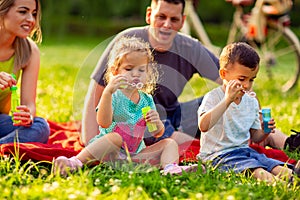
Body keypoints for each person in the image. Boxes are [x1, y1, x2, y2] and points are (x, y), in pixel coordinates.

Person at [81, 0, 299, 153]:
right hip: (138, 119)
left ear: (182, 20)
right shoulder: (128, 41)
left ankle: (288, 141)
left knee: (219, 106)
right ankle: (200, 148)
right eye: (161, 17)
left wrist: (252, 112)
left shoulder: (189, 47)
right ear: (149, 15)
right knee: (167, 133)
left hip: (174, 113)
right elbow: (98, 91)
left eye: (174, 19)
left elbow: (233, 78)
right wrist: (90, 139)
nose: (167, 25)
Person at [54, 36, 198, 176]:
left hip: (134, 155)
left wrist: (157, 123)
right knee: (115, 137)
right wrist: (107, 93)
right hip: (110, 152)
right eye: (129, 69)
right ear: (116, 72)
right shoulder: (114, 95)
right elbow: (103, 123)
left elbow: (156, 133)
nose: (135, 74)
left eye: (141, 70)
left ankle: (170, 169)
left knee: (169, 143)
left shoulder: (146, 99)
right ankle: (75, 162)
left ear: (148, 73)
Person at [197, 42, 294, 183]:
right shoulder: (213, 97)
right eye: (242, 79)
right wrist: (227, 100)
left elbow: (255, 137)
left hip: (244, 152)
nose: (247, 85)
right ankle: (282, 187)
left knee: (280, 168)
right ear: (224, 74)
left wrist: (265, 131)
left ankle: (293, 179)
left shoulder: (250, 101)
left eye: (251, 80)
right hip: (217, 155)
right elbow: (203, 126)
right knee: (258, 171)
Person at [0, 0, 50, 144]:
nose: (31, 20)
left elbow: (29, 103)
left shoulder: (29, 50)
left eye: (33, 14)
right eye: (23, 11)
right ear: (2, 11)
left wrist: (27, 114)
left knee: (40, 127)